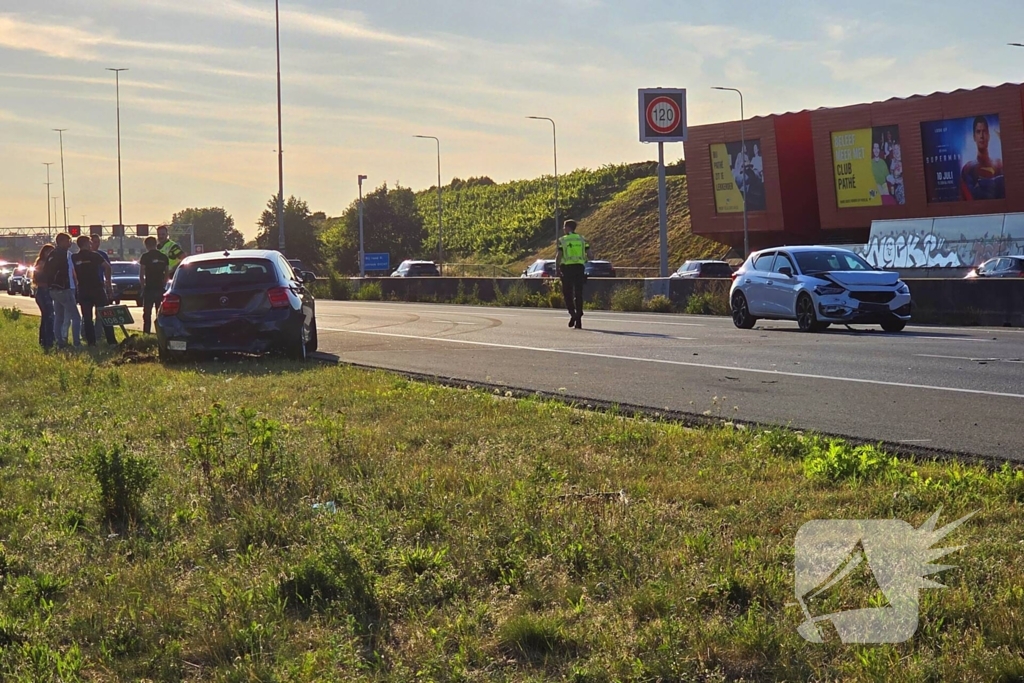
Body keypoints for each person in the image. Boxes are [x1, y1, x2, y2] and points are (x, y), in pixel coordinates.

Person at [70, 235, 114, 346]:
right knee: (105, 314)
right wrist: (108, 282)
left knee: (87, 317)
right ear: (86, 244)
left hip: (83, 290)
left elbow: (72, 272)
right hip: (97, 288)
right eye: (90, 243)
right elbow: (107, 267)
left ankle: (91, 342)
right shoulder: (94, 255)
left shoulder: (74, 257)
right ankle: (111, 340)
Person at [43, 232, 81, 348]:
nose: (70, 243)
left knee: (59, 317)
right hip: (64, 289)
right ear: (61, 241)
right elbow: (65, 272)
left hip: (53, 290)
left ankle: (59, 342)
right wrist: (68, 285)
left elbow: (45, 271)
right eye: (67, 241)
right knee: (76, 317)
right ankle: (76, 343)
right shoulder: (63, 254)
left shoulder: (52, 254)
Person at [556, 219, 590, 329]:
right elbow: (591, 255)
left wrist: (557, 269)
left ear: (568, 228)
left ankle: (573, 314)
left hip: (567, 269)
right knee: (578, 294)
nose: (563, 229)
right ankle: (579, 316)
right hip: (579, 268)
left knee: (567, 294)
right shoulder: (582, 239)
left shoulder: (563, 240)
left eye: (564, 227)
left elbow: (559, 256)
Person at [960, 116, 1004, 201]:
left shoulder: (1000, 165)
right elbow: (970, 197)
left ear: (988, 135)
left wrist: (981, 184)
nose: (981, 136)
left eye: (984, 132)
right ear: (974, 137)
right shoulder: (968, 169)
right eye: (978, 132)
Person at [88, 233, 117, 344]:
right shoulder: (85, 255)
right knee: (87, 313)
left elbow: (107, 269)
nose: (97, 244)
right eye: (94, 242)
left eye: (98, 242)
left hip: (100, 285)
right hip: (88, 286)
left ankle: (98, 334)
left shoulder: (102, 255)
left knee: (100, 312)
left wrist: (108, 285)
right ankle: (87, 334)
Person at [138, 236, 169, 334]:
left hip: (149, 289)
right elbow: (167, 273)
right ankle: (161, 334)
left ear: (146, 245)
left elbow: (141, 274)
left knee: (147, 314)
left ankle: (146, 333)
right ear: (156, 244)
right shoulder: (163, 257)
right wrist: (163, 284)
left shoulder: (145, 257)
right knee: (160, 314)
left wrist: (143, 287)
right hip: (160, 288)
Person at [32, 243, 56, 350]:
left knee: (47, 317)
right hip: (43, 292)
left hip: (45, 291)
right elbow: (41, 279)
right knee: (48, 316)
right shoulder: (42, 263)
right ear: (45, 252)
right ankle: (48, 341)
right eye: (50, 251)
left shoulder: (45, 263)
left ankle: (45, 340)